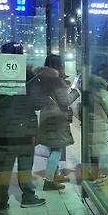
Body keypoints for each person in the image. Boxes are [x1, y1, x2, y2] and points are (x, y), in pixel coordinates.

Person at [0, 42, 46, 209]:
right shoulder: (28, 75)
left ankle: (0, 201)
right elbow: (38, 102)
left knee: (4, 166)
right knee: (25, 164)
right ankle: (28, 197)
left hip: (2, 126)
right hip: (25, 127)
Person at [35, 54, 79, 191]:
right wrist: (75, 92)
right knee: (57, 150)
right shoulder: (56, 80)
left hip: (48, 115)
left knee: (55, 147)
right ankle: (49, 180)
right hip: (57, 118)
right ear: (58, 65)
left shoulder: (43, 78)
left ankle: (54, 175)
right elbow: (64, 101)